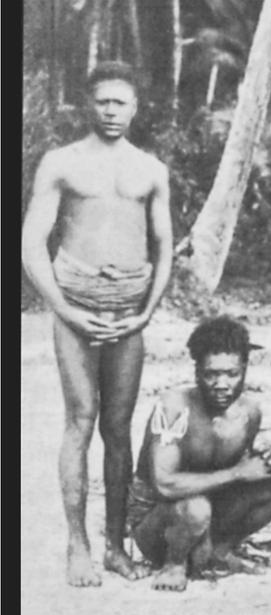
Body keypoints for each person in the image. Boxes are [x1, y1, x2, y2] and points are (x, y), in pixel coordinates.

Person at [21, 61, 173, 587]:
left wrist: (145, 312)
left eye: (121, 102)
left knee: (118, 427)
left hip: (129, 309)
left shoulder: (150, 171)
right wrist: (66, 309)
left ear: (136, 107)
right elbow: (31, 243)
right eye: (103, 101)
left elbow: (164, 246)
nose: (111, 111)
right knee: (81, 418)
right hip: (76, 303)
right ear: (89, 103)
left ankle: (114, 545)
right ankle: (77, 545)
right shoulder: (62, 164)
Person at [128, 317, 271, 592]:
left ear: (245, 370)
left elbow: (239, 470)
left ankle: (219, 551)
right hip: (159, 524)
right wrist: (240, 473)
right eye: (211, 374)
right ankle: (174, 563)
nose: (221, 384)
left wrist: (263, 462)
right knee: (196, 508)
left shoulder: (249, 413)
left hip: (207, 511)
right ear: (196, 372)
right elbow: (164, 484)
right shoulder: (174, 408)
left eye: (231, 374)